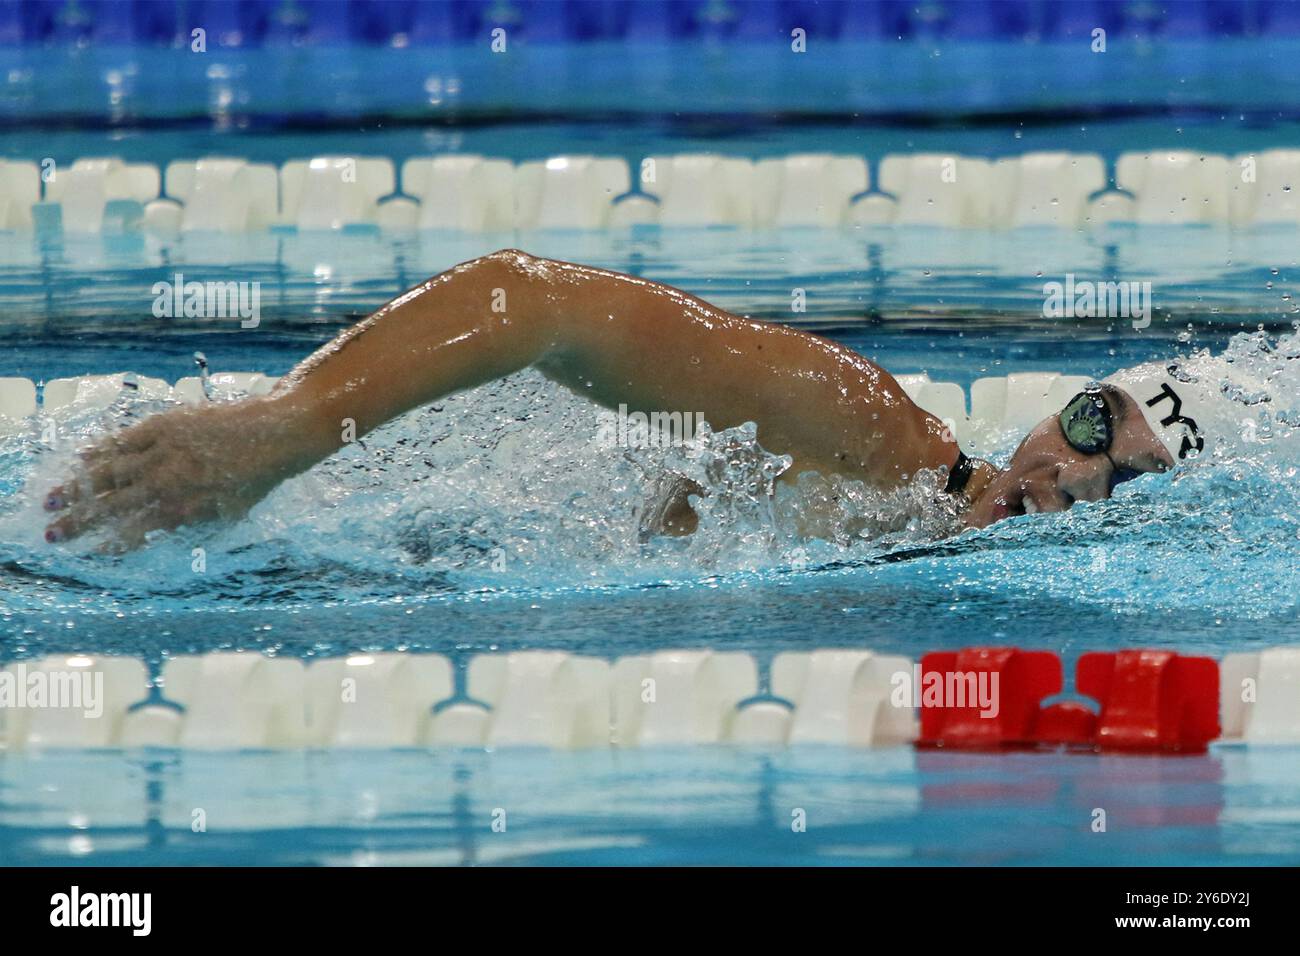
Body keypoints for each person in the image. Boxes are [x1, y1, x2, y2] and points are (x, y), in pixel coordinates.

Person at [42, 250, 1201, 550]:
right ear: (1060, 409)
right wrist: (278, 435)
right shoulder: (863, 422)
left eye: (1128, 481)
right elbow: (524, 299)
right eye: (1094, 427)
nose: (1073, 474)